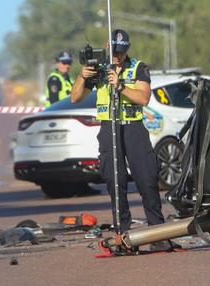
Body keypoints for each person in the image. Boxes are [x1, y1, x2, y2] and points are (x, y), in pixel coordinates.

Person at [70, 29, 172, 252]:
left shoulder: (138, 67)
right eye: (114, 51)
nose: (117, 55)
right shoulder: (99, 69)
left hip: (133, 128)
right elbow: (75, 97)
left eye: (122, 51)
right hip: (109, 129)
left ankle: (158, 234)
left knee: (147, 179)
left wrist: (121, 86)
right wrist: (82, 76)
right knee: (115, 181)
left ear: (128, 48)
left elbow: (143, 98)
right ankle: (123, 236)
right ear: (107, 46)